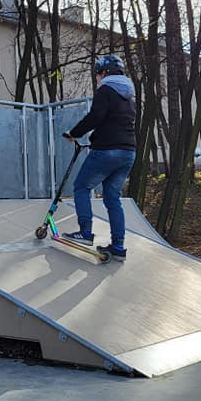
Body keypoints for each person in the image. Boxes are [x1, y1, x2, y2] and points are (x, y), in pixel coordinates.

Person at [62, 55, 137, 261]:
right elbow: (116, 121)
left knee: (81, 187)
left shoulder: (105, 89)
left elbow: (96, 116)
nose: (97, 78)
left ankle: (85, 233)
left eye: (97, 74)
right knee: (113, 198)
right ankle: (118, 247)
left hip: (107, 150)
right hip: (128, 152)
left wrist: (74, 133)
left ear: (103, 73)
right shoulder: (130, 94)